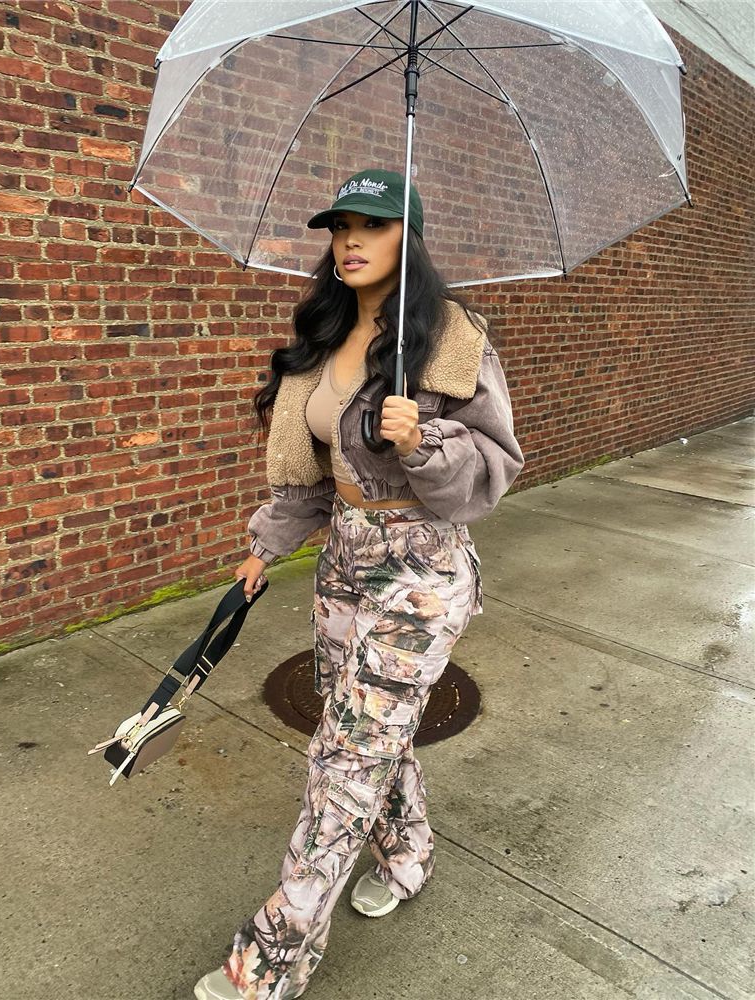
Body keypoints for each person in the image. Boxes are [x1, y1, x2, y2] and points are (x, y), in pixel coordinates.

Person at [194, 168, 525, 1000]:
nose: (350, 241)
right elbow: (308, 473)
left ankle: (274, 956)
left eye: (373, 225)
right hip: (343, 560)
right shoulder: (324, 335)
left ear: (409, 238)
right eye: (341, 226)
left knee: (345, 758)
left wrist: (423, 443)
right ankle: (408, 855)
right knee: (375, 738)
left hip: (422, 572)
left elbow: (493, 472)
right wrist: (265, 549)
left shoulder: (452, 340)